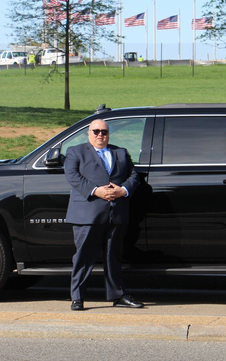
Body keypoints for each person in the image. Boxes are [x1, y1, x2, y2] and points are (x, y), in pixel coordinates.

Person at [64, 119, 143, 310]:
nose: (101, 135)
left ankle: (117, 295)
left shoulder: (120, 152)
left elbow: (134, 176)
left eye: (105, 132)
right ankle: (78, 297)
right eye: (96, 131)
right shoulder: (76, 151)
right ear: (89, 133)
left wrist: (123, 190)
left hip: (115, 214)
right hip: (87, 214)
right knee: (83, 257)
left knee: (113, 257)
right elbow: (73, 176)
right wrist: (95, 191)